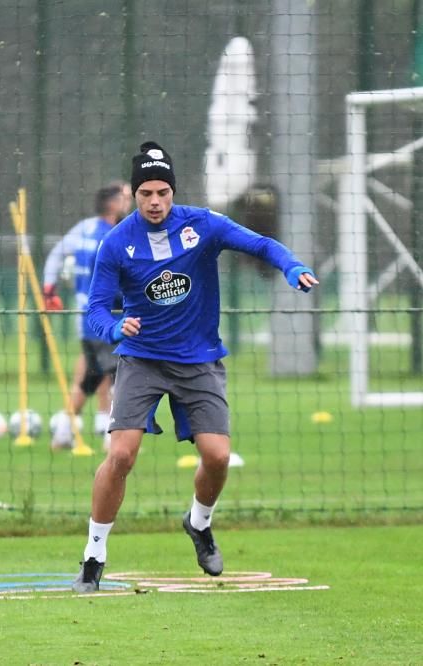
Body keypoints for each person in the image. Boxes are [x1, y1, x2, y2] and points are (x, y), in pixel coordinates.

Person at [73, 141, 318, 592]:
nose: (154, 201)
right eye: (145, 192)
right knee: (121, 453)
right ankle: (94, 554)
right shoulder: (116, 243)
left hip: (199, 361)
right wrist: (112, 328)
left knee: (218, 456)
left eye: (162, 192)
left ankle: (199, 523)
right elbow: (94, 311)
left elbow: (259, 244)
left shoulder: (202, 225)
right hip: (142, 360)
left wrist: (290, 265)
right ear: (134, 194)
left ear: (173, 192)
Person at [42, 181, 132, 450]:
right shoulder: (116, 235)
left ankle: (63, 434)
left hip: (86, 320)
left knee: (90, 379)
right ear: (113, 203)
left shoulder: (83, 229)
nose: (130, 202)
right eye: (126, 197)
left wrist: (49, 289)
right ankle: (111, 439)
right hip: (109, 318)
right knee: (120, 376)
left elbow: (56, 255)